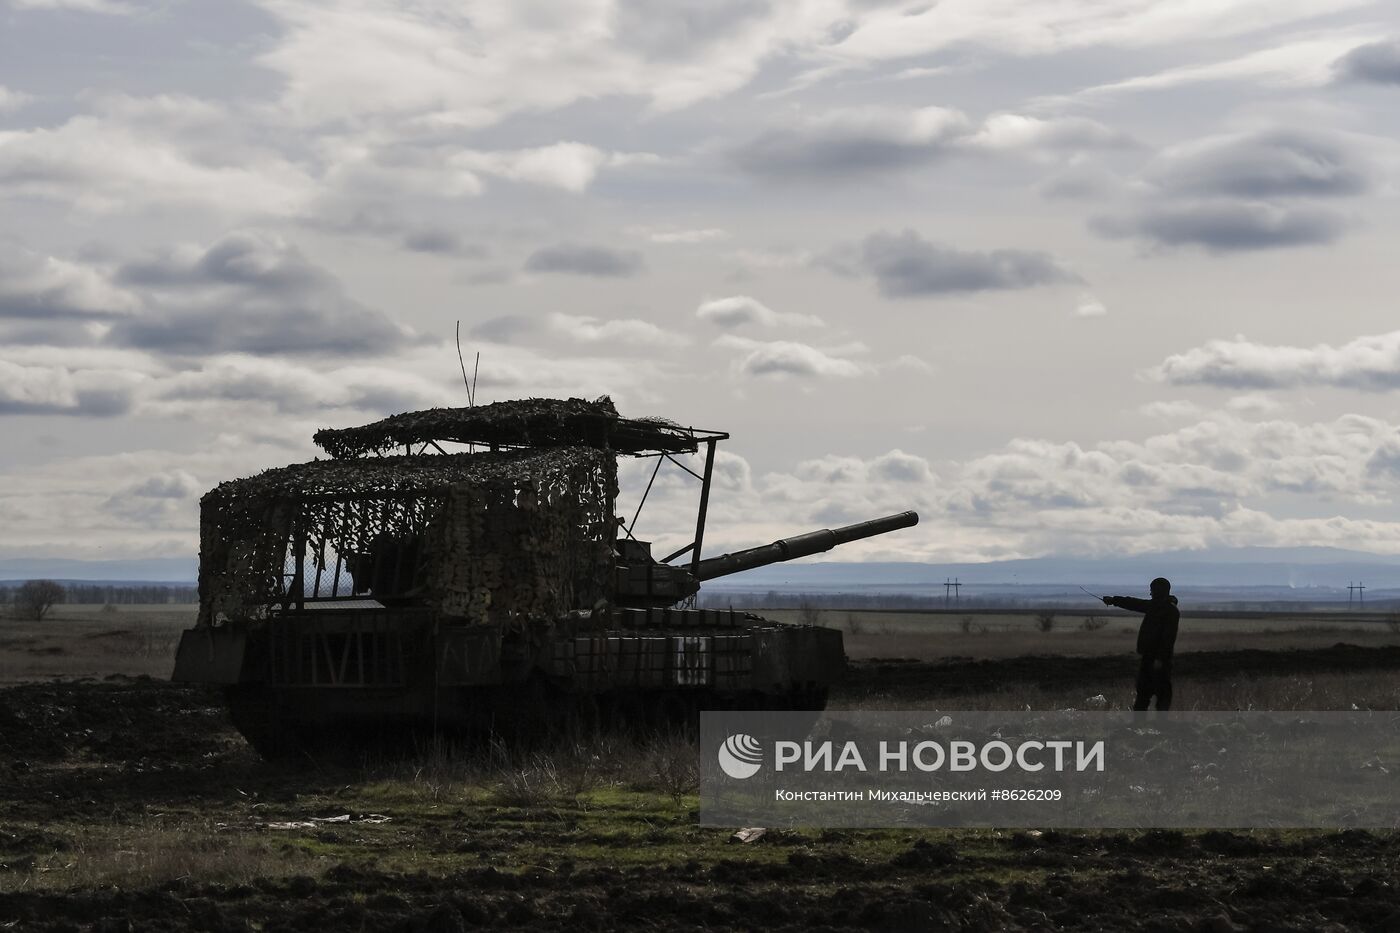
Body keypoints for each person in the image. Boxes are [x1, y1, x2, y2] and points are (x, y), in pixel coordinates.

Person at [1103, 577, 1179, 711]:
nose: (1150, 594)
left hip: (1158, 660)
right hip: (1150, 659)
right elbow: (1133, 603)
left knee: (1158, 693)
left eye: (1152, 591)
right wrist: (1114, 600)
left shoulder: (1167, 611)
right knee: (1146, 692)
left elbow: (1168, 639)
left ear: (1157, 591)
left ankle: (1152, 726)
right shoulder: (1159, 607)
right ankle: (1144, 725)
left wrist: (1159, 659)